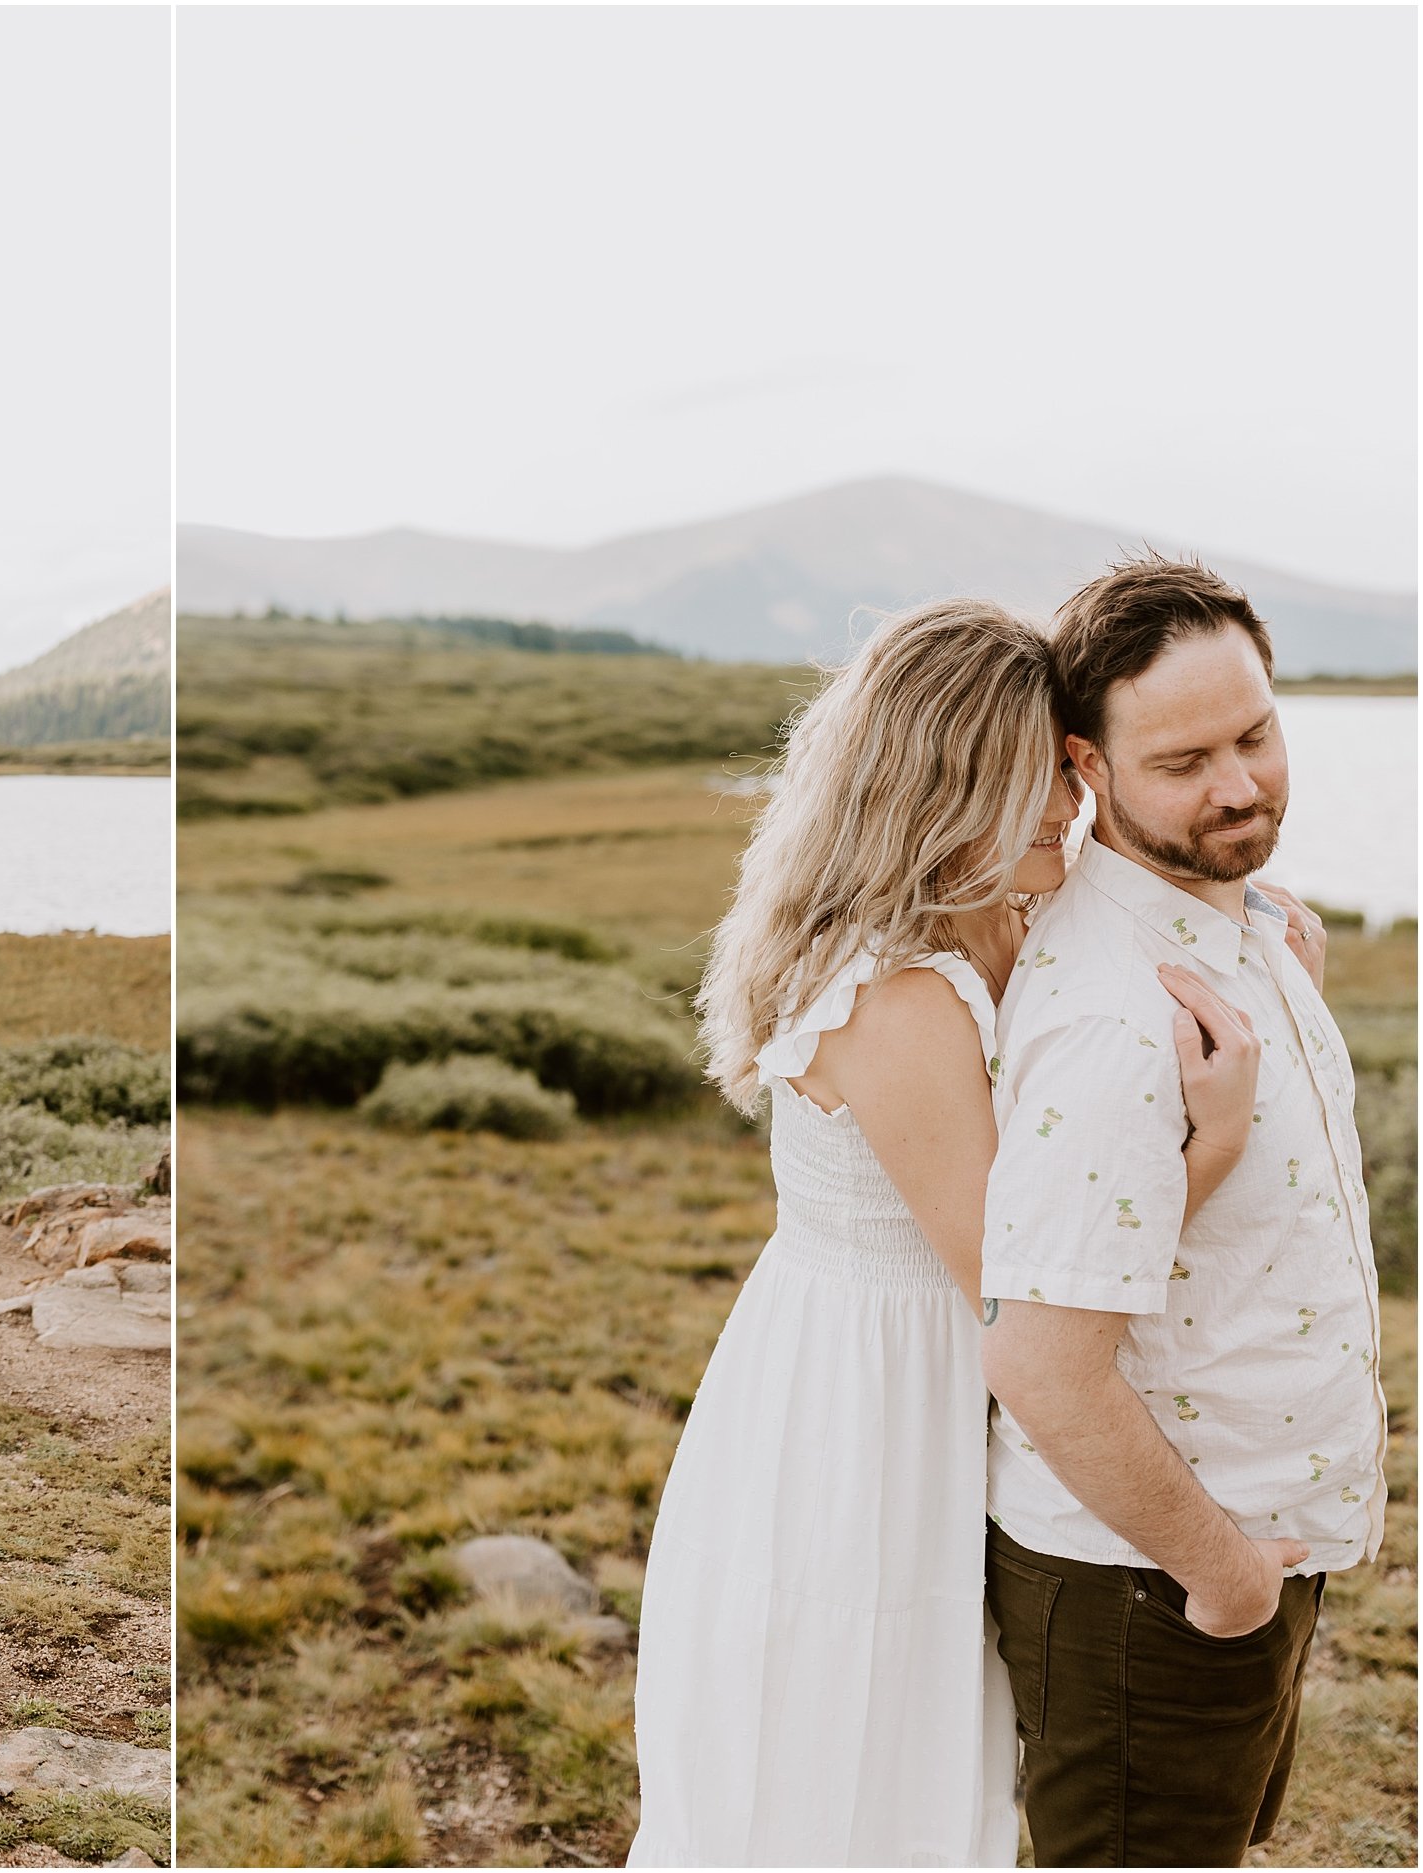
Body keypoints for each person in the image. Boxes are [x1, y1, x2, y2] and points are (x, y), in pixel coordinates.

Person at [628, 601, 1254, 1866]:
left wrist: (1258, 911)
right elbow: (1010, 1271)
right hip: (860, 1416)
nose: (1066, 811)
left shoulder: (1008, 905)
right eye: (1033, 779)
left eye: (1072, 771)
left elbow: (1143, 905)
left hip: (920, 1378)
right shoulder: (895, 991)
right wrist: (1214, 1146)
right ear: (942, 783)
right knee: (850, 1771)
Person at [979, 556, 1384, 1867]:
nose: (1241, 785)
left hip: (1235, 1554)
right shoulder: (1114, 1014)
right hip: (1149, 1579)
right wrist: (1221, 1573)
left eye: (1257, 735)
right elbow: (1039, 1361)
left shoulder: (1253, 924)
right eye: (1186, 759)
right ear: (1088, 767)